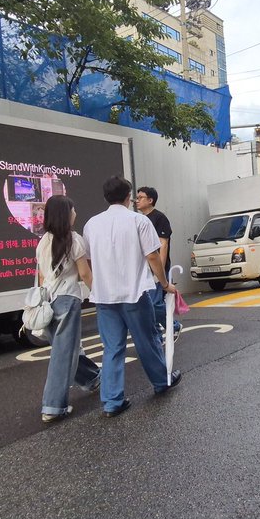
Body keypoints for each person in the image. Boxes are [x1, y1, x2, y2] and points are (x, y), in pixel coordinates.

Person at [83, 176, 180, 418]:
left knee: (112, 348)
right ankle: (161, 381)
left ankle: (112, 401)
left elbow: (88, 260)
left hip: (104, 297)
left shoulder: (91, 224)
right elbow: (153, 256)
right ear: (127, 197)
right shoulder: (139, 221)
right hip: (134, 293)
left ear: (106, 197)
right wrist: (165, 283)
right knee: (147, 340)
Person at [36, 196, 101, 424]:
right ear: (66, 214)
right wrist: (98, 295)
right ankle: (53, 406)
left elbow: (41, 277)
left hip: (48, 301)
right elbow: (85, 274)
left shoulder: (43, 241)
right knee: (63, 353)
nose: (75, 213)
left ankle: (92, 378)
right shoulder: (75, 239)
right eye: (73, 209)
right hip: (68, 300)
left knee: (65, 348)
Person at [135, 186, 181, 341]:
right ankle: (157, 336)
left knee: (154, 303)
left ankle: (173, 326)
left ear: (150, 200)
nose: (137, 200)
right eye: (136, 197)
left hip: (156, 268)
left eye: (140, 197)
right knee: (147, 305)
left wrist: (159, 269)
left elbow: (163, 244)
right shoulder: (139, 219)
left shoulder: (159, 218)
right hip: (143, 269)